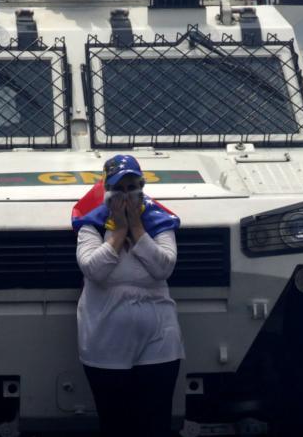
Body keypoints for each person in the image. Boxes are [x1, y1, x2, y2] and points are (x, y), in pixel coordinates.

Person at [71, 154, 182, 437]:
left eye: (133, 187)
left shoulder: (160, 222)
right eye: (119, 189)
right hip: (105, 341)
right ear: (107, 190)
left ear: (143, 187)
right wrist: (118, 231)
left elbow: (163, 267)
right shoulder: (91, 225)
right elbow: (93, 270)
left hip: (159, 339)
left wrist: (138, 229)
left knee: (156, 423)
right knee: (115, 423)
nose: (127, 196)